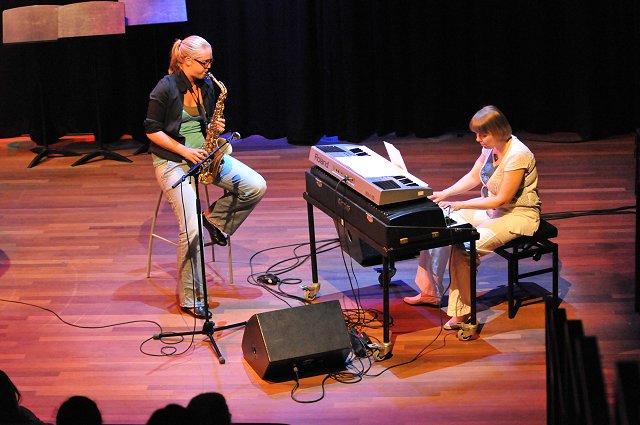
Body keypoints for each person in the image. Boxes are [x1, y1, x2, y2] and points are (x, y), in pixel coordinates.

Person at [144, 35, 267, 319]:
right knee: (191, 230)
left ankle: (213, 221)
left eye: (210, 61)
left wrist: (216, 126)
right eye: (204, 62)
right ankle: (191, 298)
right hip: (173, 160)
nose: (209, 67)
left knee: (256, 185)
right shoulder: (165, 88)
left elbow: (208, 123)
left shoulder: (208, 85)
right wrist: (184, 151)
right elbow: (151, 130)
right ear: (186, 61)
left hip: (205, 154)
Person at [403, 105, 541, 329]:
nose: (477, 139)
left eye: (482, 134)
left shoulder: (518, 154)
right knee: (439, 222)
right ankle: (430, 292)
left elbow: (502, 200)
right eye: (476, 134)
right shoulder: (491, 147)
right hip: (492, 209)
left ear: (497, 131)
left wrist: (461, 204)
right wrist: (446, 194)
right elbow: (473, 176)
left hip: (517, 215)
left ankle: (462, 312)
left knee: (465, 247)